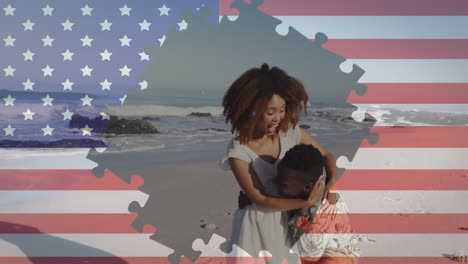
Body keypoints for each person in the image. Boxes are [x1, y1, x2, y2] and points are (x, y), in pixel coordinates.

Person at [220, 63, 337, 263]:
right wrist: (306, 202)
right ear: (250, 110)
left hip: (288, 220)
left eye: (282, 110)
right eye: (270, 112)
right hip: (256, 224)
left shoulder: (290, 132)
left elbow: (326, 155)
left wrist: (328, 185)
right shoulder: (238, 150)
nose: (277, 118)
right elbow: (260, 199)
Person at [276, 144, 360, 264]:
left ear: (307, 187)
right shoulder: (323, 188)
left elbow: (310, 255)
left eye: (283, 184)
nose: (276, 183)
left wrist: (294, 216)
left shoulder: (316, 217)